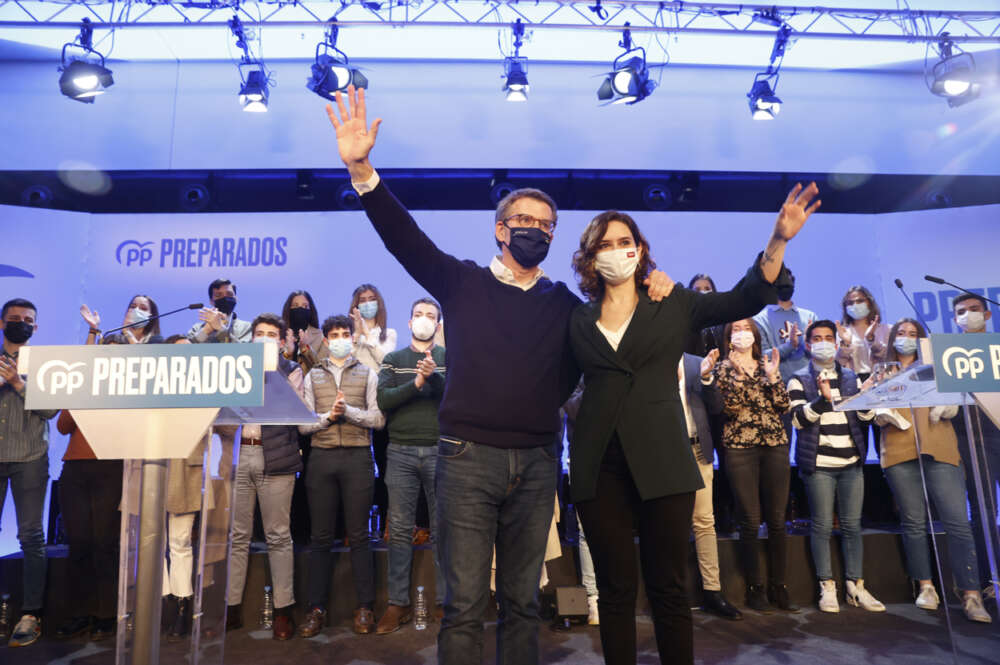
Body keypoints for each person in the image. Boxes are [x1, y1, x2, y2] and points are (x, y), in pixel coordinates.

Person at [323, 85, 673, 665]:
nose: (535, 228)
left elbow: (608, 334)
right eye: (523, 220)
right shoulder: (461, 282)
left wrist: (654, 284)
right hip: (465, 460)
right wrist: (363, 170)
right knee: (463, 606)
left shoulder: (565, 303)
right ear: (500, 230)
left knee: (522, 604)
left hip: (537, 462)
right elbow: (403, 239)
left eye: (546, 223)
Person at [568, 183, 814, 665]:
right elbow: (553, 382)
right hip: (598, 467)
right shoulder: (577, 318)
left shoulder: (673, 302)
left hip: (663, 461)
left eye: (626, 242)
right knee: (616, 591)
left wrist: (778, 239)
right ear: (589, 256)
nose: (618, 251)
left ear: (640, 252)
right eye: (606, 243)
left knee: (669, 587)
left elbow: (743, 297)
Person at [875, 317, 992, 623]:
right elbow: (872, 411)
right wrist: (882, 414)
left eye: (913, 334)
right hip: (899, 451)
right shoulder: (882, 370)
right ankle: (926, 586)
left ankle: (971, 594)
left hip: (940, 447)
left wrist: (950, 406)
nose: (906, 339)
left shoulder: (938, 367)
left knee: (958, 522)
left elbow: (956, 401)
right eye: (901, 333)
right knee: (914, 523)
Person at [788, 320, 884, 613]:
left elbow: (865, 419)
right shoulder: (798, 379)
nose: (823, 343)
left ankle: (857, 585)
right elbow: (797, 420)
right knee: (821, 525)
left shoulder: (851, 377)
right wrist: (821, 400)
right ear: (807, 345)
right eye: (817, 338)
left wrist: (867, 398)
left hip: (852, 463)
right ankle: (827, 585)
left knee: (853, 525)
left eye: (829, 338)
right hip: (819, 464)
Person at [298, 314, 385, 637]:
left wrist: (347, 412)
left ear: (351, 337)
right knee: (320, 538)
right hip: (321, 458)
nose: (339, 339)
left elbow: (378, 420)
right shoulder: (313, 376)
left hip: (358, 458)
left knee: (359, 536)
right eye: (333, 334)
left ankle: (364, 608)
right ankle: (316, 609)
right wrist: (327, 417)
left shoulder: (367, 373)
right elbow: (303, 425)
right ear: (327, 339)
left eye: (344, 333)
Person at [703, 319, 795, 614]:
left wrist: (772, 376)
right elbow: (728, 408)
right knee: (750, 520)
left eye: (746, 329)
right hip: (739, 447)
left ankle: (779, 585)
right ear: (729, 337)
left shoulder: (768, 362)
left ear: (755, 335)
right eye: (736, 330)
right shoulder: (721, 369)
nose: (742, 334)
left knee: (778, 520)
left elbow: (783, 406)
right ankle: (755, 588)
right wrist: (739, 376)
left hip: (775, 444)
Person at [226, 314, 304, 640]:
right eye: (259, 334)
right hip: (239, 453)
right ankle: (230, 607)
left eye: (271, 335)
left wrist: (272, 374)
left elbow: (297, 415)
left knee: (278, 535)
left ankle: (284, 610)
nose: (264, 339)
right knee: (237, 535)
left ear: (282, 341)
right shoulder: (235, 367)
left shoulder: (292, 371)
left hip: (276, 456)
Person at [375, 298, 446, 634]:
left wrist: (433, 379)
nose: (423, 320)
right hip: (400, 451)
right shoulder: (393, 359)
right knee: (400, 529)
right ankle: (398, 603)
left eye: (430, 316)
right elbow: (384, 400)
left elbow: (456, 397)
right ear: (408, 322)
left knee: (444, 528)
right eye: (418, 314)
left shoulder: (448, 358)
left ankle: (446, 603)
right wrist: (416, 383)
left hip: (440, 451)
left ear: (439, 324)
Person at [0, 299, 59, 648]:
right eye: (14, 319)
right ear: (2, 323)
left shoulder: (46, 365)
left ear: (35, 328)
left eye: (27, 320)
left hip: (31, 456)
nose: (21, 324)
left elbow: (51, 408)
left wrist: (20, 385)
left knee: (31, 534)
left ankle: (30, 613)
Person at [679, 352, 742, 621]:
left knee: (704, 521)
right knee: (671, 524)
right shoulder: (647, 356)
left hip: (698, 451)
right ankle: (674, 594)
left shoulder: (695, 362)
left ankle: (713, 592)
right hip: (663, 454)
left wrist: (706, 377)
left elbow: (716, 407)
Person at [948, 293, 1000, 605]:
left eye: (974, 309)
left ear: (988, 314)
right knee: (984, 510)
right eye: (961, 312)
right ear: (955, 320)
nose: (968, 315)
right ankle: (991, 578)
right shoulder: (950, 355)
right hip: (974, 436)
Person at [160, 334, 210, 642]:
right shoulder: (153, 386)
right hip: (152, 465)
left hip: (186, 468)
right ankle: (160, 601)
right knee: (152, 543)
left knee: (180, 542)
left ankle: (181, 604)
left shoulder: (203, 388)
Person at [834, 286, 888, 381]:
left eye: (860, 301)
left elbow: (889, 359)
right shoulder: (842, 332)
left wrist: (871, 339)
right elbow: (838, 364)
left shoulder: (886, 329)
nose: (855, 305)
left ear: (870, 303)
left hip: (881, 381)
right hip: (852, 383)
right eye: (850, 303)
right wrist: (846, 344)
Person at [186, 278, 252, 343]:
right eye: (218, 295)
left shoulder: (246, 327)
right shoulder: (197, 328)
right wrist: (205, 331)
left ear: (236, 298)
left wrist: (221, 328)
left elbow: (245, 351)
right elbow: (186, 350)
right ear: (211, 301)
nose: (225, 298)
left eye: (229, 294)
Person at [349, 284, 397, 373]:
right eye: (362, 301)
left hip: (378, 384)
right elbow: (344, 361)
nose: (367, 304)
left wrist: (367, 334)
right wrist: (357, 335)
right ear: (356, 306)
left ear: (378, 303)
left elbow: (385, 361)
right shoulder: (347, 334)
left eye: (372, 299)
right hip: (353, 383)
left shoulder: (389, 333)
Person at [82, 295, 163, 345]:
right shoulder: (114, 341)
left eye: (143, 308)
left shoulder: (157, 341)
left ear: (151, 317)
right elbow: (90, 360)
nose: (136, 310)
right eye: (133, 306)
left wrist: (127, 332)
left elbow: (143, 359)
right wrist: (93, 329)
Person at [281, 290, 326, 373]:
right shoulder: (280, 335)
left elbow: (324, 370)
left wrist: (305, 349)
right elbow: (274, 370)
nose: (300, 309)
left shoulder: (320, 336)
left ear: (311, 310)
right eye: (295, 306)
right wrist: (287, 354)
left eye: (305, 306)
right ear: (288, 309)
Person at [685, 274, 726, 356]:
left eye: (707, 289)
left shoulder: (724, 320)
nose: (703, 292)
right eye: (697, 289)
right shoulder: (684, 321)